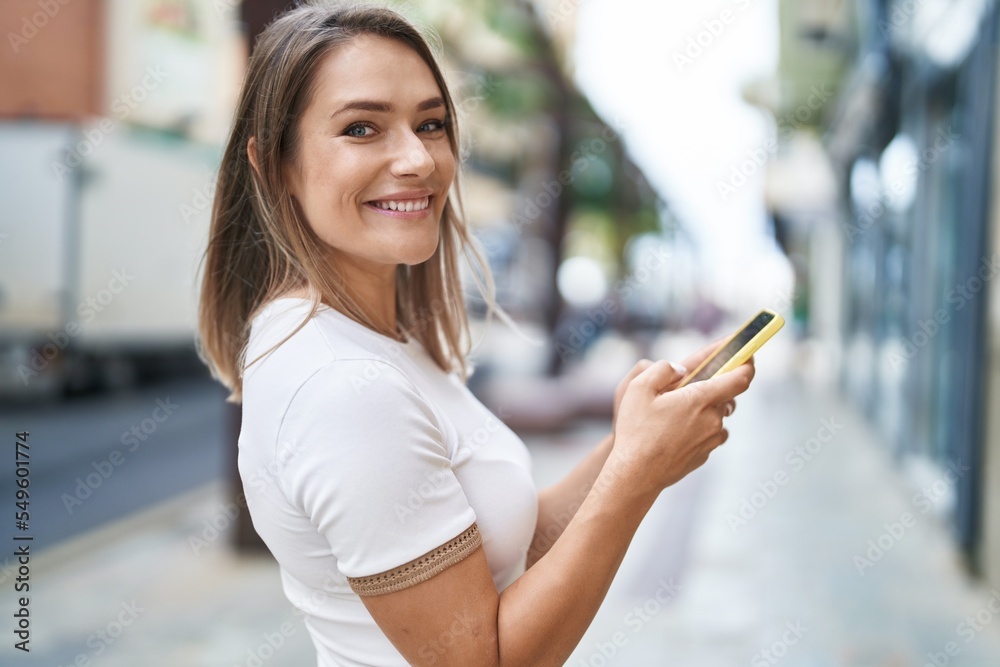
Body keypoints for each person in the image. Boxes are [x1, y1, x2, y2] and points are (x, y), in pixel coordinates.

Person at [196, 2, 755, 665]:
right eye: (361, 127)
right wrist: (635, 476)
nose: (417, 158)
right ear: (274, 164)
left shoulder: (369, 341)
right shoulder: (342, 386)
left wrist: (634, 445)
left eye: (430, 124)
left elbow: (503, 548)